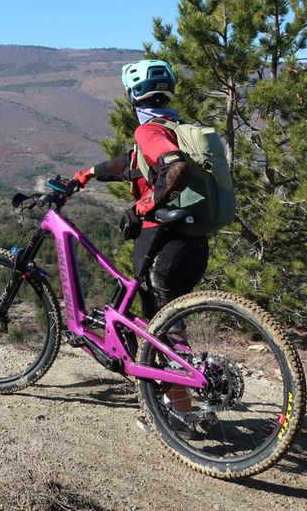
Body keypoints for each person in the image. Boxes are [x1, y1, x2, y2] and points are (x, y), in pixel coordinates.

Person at [70, 59, 209, 425]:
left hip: (162, 242)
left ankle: (182, 414)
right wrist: (85, 175)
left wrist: (141, 206)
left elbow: (174, 168)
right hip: (194, 244)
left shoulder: (149, 132)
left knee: (160, 329)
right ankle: (174, 403)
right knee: (165, 324)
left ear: (132, 95)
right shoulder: (172, 126)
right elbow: (130, 164)